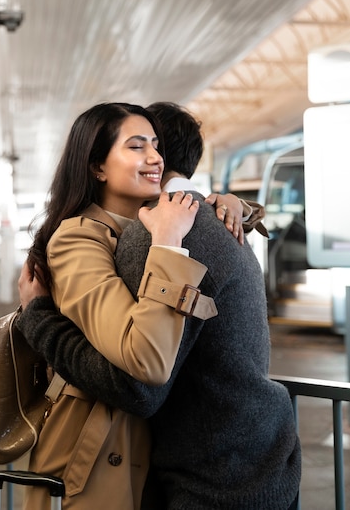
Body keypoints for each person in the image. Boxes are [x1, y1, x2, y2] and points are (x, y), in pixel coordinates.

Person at [18, 102, 301, 510]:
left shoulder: (169, 226)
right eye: (136, 146)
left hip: (211, 472)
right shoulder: (91, 236)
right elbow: (146, 368)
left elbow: (142, 381)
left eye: (155, 144)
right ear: (98, 166)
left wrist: (40, 319)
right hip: (248, 456)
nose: (153, 156)